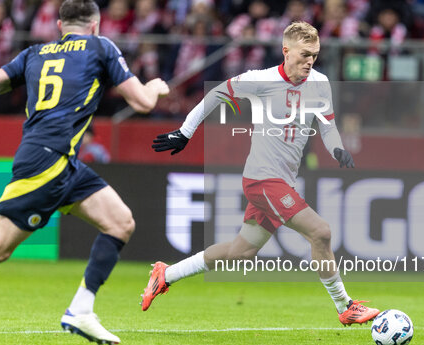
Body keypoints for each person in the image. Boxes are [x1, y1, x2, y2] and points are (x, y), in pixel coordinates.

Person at [0, 0, 169, 345]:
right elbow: (142, 102)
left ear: (60, 27)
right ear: (95, 25)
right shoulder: (101, 47)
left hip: (61, 161)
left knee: (120, 222)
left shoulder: (36, 53)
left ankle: (81, 308)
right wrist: (155, 87)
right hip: (47, 162)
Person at [143, 21, 379, 327]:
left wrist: (336, 149)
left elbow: (327, 124)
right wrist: (185, 133)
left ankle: (166, 273)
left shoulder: (320, 84)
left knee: (241, 251)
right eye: (305, 54)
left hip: (282, 181)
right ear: (286, 51)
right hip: (262, 179)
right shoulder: (261, 79)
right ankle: (345, 306)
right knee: (320, 232)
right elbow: (216, 94)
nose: (310, 60)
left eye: (315, 55)